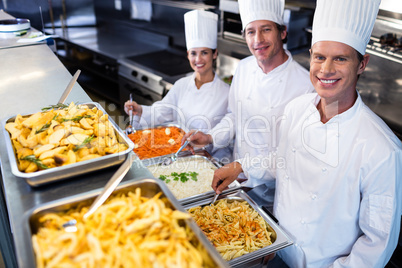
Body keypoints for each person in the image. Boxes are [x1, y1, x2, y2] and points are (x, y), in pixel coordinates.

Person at [212, 0, 402, 266]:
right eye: (319, 57)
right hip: (276, 248)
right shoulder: (297, 109)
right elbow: (284, 160)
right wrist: (242, 167)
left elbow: (377, 244)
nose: (325, 70)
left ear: (362, 64)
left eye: (340, 58)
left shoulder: (383, 149)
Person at [183, 0, 314, 192]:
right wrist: (211, 137)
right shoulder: (244, 67)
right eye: (251, 31)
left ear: (283, 32)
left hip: (278, 188)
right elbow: (234, 115)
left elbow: (295, 154)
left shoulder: (305, 85)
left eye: (266, 29)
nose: (258, 40)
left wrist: (244, 166)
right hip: (238, 179)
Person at [124, 10, 230, 159]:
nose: (198, 59)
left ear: (214, 54)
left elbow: (228, 132)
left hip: (208, 157)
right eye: (193, 53)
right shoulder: (182, 84)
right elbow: (162, 110)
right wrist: (139, 110)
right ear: (188, 55)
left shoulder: (226, 93)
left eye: (204, 53)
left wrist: (209, 138)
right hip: (177, 152)